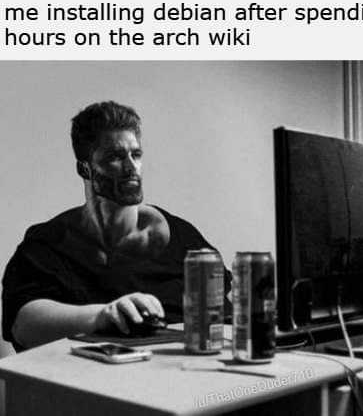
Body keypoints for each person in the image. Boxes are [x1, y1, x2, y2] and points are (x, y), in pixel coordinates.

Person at [2, 101, 230, 350]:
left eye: (136, 154)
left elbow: (225, 302)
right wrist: (102, 316)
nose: (131, 167)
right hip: (91, 379)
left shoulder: (181, 237)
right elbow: (22, 325)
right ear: (84, 168)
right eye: (115, 157)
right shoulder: (48, 243)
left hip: (185, 372)